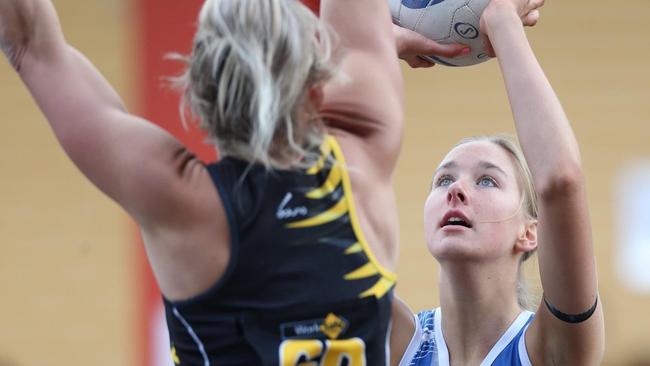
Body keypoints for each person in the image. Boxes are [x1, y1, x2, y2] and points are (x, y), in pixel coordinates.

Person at [0, 0, 460, 364]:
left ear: (198, 97)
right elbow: (356, 39)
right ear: (318, 88)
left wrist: (374, 44)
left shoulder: (178, 199)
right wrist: (380, 42)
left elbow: (29, 43)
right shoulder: (361, 152)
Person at [390, 0, 605, 365]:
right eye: (443, 180)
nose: (455, 190)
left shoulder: (551, 348)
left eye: (487, 180)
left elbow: (560, 181)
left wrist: (503, 21)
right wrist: (366, 46)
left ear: (530, 232)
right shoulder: (396, 342)